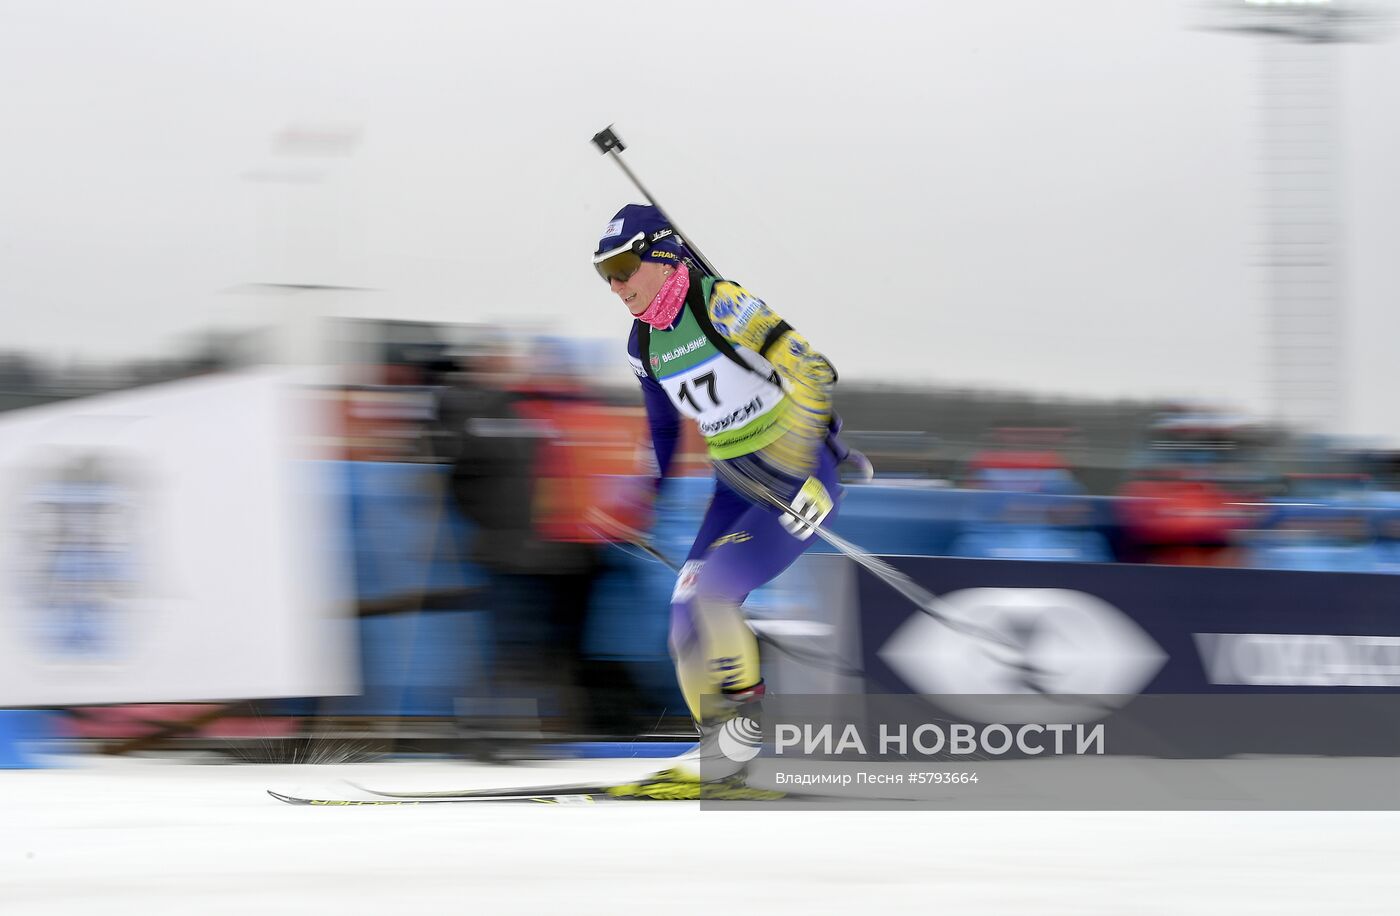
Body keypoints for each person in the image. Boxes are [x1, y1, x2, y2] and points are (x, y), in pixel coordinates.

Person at [591, 204, 864, 797]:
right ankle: (718, 748)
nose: (615, 285)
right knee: (684, 615)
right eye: (603, 273)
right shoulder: (643, 342)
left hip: (796, 481)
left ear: (662, 255)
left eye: (622, 266)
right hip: (734, 487)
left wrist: (807, 437)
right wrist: (640, 496)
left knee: (715, 595)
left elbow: (810, 372)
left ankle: (737, 748)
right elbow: (665, 433)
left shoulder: (722, 303)